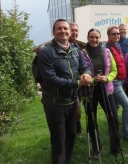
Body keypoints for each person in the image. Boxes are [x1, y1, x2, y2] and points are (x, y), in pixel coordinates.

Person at [38, 19, 92, 164]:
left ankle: (66, 161)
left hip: (73, 101)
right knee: (58, 138)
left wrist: (86, 74)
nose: (63, 31)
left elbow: (84, 67)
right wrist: (77, 83)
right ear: (53, 32)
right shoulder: (46, 52)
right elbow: (50, 79)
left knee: (71, 135)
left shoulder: (76, 50)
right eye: (59, 28)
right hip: (55, 103)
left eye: (65, 28)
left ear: (69, 31)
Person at [80, 28, 120, 159]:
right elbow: (79, 73)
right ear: (88, 37)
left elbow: (114, 70)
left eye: (97, 37)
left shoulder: (107, 52)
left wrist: (107, 78)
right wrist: (92, 80)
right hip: (89, 93)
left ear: (100, 38)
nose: (94, 40)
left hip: (106, 91)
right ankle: (97, 149)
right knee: (92, 122)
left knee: (113, 119)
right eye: (92, 37)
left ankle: (115, 149)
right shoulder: (82, 54)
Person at [105, 26, 128, 146]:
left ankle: (113, 130)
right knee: (127, 106)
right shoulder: (107, 49)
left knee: (115, 106)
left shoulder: (118, 46)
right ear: (108, 36)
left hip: (121, 80)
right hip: (114, 82)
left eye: (117, 34)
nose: (116, 35)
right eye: (113, 34)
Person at [68, 23, 83, 137]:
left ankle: (76, 126)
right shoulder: (64, 45)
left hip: (78, 84)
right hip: (66, 85)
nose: (75, 33)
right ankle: (72, 130)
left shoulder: (77, 47)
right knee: (74, 110)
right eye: (72, 30)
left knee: (77, 110)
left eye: (76, 30)